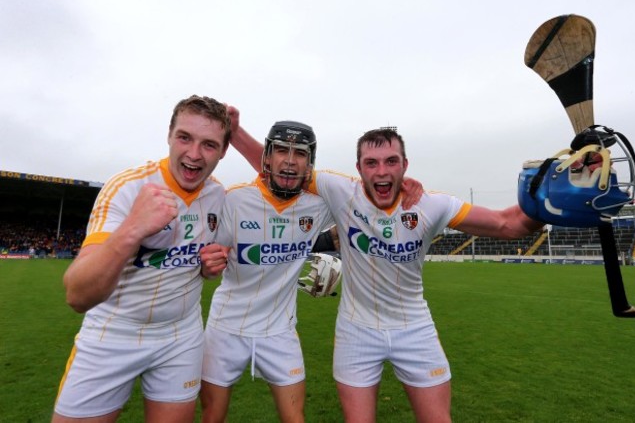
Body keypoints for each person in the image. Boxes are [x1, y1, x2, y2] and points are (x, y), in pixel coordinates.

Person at [228, 119, 544, 422]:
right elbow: (285, 171)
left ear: (405, 165)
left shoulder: (431, 205)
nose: (382, 171)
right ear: (359, 169)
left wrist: (546, 194)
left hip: (414, 328)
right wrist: (235, 131)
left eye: (391, 161)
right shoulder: (341, 192)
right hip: (357, 330)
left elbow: (509, 224)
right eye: (372, 162)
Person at [52, 95, 232, 423]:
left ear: (223, 151)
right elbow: (78, 295)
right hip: (114, 331)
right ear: (169, 135)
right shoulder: (126, 187)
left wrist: (208, 268)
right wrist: (132, 229)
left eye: (208, 144)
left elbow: (201, 265)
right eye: (184, 138)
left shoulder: (218, 195)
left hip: (181, 335)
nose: (193, 154)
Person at [198, 120, 336, 423]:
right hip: (226, 328)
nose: (289, 160)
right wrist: (209, 268)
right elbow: (210, 268)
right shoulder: (234, 199)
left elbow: (363, 205)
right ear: (267, 157)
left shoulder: (320, 204)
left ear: (310, 162)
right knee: (212, 416)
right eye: (282, 150)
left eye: (299, 153)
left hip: (280, 331)